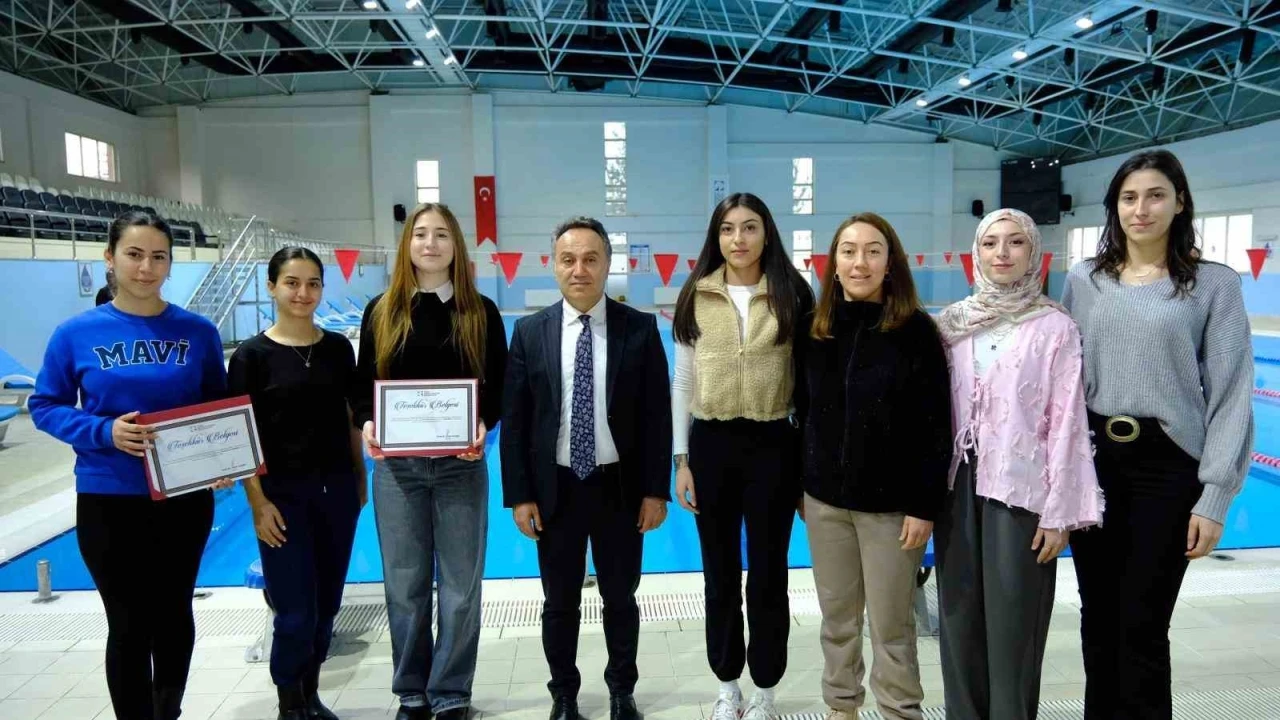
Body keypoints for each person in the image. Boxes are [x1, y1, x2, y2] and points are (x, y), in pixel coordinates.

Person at [1062, 149, 1253, 719]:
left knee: (1143, 625)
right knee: (1098, 619)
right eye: (1129, 197)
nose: (1140, 209)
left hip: (1168, 466)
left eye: (1155, 196)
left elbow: (1231, 392)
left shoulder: (1213, 284)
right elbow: (1064, 378)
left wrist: (1215, 496)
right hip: (1096, 462)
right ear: (1114, 206)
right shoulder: (1085, 279)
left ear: (1180, 203)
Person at [29, 211, 229, 720]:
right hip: (109, 497)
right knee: (128, 623)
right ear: (110, 258)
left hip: (183, 498)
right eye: (134, 254)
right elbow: (45, 405)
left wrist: (223, 457)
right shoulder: (75, 333)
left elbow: (218, 408)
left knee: (174, 614)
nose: (146, 267)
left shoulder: (198, 332)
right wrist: (105, 432)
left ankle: (167, 711)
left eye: (158, 257)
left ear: (170, 263)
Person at [934, 208, 1103, 720]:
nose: (1002, 253)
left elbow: (1068, 419)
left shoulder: (1054, 327)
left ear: (1034, 253)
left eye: (1015, 242)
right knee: (958, 619)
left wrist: (1061, 513)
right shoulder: (951, 324)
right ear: (976, 253)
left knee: (1014, 626)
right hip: (956, 486)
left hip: (1022, 490)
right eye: (990, 243)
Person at [501, 217, 672, 720]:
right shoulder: (529, 332)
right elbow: (516, 422)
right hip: (556, 488)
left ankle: (622, 691)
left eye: (591, 259)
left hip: (618, 487)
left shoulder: (639, 329)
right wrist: (520, 496)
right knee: (559, 602)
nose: (580, 269)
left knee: (621, 597)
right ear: (554, 265)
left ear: (607, 265)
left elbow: (657, 417)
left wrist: (654, 490)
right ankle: (564, 696)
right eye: (569, 259)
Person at [352, 203, 508, 720]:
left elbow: (499, 386)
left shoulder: (480, 312)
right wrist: (368, 424)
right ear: (408, 245)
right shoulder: (381, 311)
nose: (431, 243)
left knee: (461, 587)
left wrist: (483, 423)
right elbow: (363, 388)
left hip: (461, 466)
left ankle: (451, 692)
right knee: (405, 585)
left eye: (442, 234)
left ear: (456, 245)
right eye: (421, 234)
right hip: (399, 472)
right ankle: (412, 692)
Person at [799, 212, 951, 720]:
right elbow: (804, 414)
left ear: (891, 263)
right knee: (838, 621)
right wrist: (805, 485)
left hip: (892, 510)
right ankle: (841, 708)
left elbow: (936, 426)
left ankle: (900, 710)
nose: (859, 262)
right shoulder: (815, 330)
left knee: (892, 626)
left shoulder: (916, 331)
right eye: (848, 251)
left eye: (872, 251)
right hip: (826, 505)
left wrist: (923, 505)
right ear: (833, 262)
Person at [669, 192, 813, 720]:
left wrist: (806, 467)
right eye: (728, 229)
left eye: (749, 227)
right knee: (720, 572)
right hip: (712, 444)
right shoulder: (697, 294)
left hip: (774, 444)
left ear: (766, 233)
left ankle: (766, 688)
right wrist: (681, 459)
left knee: (770, 572)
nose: (739, 239)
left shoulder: (793, 294)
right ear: (717, 236)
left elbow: (807, 385)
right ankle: (727, 684)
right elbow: (683, 380)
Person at [228, 247, 367, 720]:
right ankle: (289, 703)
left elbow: (349, 417)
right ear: (272, 287)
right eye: (292, 282)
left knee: (327, 604)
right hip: (281, 498)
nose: (303, 293)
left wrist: (359, 476)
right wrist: (257, 502)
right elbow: (240, 437)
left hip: (337, 493)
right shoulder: (251, 357)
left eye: (312, 283)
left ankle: (310, 695)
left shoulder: (338, 349)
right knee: (294, 610)